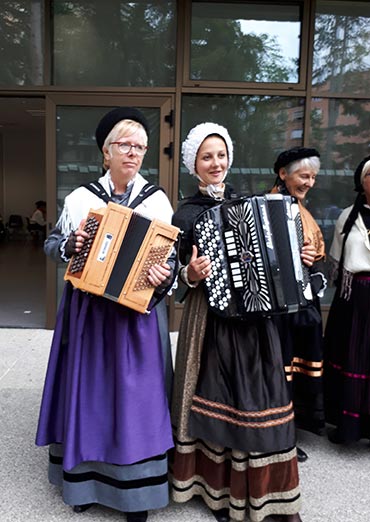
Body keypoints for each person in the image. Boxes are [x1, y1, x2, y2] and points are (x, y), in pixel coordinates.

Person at [35, 107, 176, 522]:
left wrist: (162, 275)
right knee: (88, 394)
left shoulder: (156, 201)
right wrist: (71, 246)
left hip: (137, 318)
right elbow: (52, 246)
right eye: (124, 145)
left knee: (137, 402)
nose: (133, 153)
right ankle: (82, 485)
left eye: (140, 147)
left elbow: (167, 264)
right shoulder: (81, 199)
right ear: (106, 152)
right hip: (89, 315)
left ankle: (136, 495)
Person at [171, 123, 302, 522]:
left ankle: (265, 491)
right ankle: (216, 491)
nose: (216, 163)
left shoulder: (252, 203)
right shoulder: (186, 212)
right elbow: (175, 273)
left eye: (221, 155)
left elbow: (277, 255)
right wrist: (190, 273)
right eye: (207, 157)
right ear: (194, 164)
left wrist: (298, 256)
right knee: (216, 398)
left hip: (255, 321)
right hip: (209, 319)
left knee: (259, 399)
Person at [270, 147, 326, 462]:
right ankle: (279, 434)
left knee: (295, 367)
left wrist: (310, 266)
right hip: (278, 307)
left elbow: (318, 259)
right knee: (280, 368)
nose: (310, 183)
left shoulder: (303, 210)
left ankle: (291, 430)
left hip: (302, 305)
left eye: (313, 177)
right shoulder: (271, 207)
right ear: (283, 174)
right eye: (304, 176)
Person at [324, 155, 370, 444]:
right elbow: (336, 262)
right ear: (362, 181)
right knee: (350, 357)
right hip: (353, 298)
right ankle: (347, 427)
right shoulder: (346, 216)